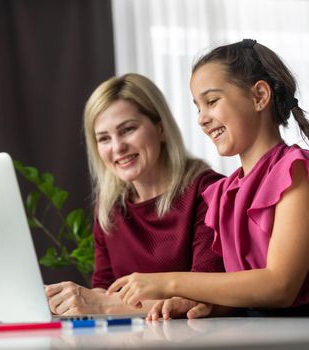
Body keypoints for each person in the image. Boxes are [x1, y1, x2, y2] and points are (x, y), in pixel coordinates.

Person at [107, 39, 309, 318]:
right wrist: (202, 304)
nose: (202, 119)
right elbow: (245, 291)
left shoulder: (299, 172)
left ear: (259, 96)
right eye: (198, 107)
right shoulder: (223, 192)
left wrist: (165, 282)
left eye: (211, 101)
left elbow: (280, 286)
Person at [45, 73, 225, 318]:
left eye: (128, 130)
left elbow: (204, 297)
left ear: (161, 128)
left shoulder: (207, 191)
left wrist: (99, 304)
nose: (117, 147)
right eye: (104, 138)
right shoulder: (109, 207)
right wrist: (70, 302)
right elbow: (104, 291)